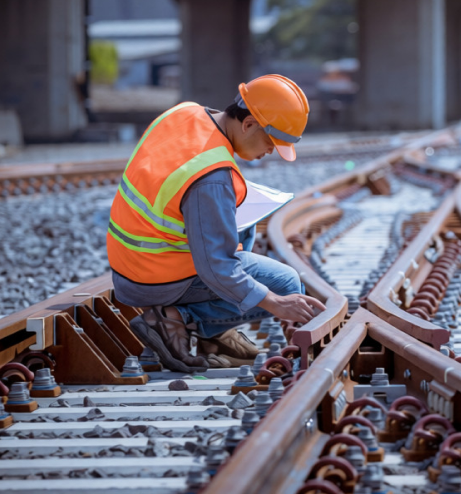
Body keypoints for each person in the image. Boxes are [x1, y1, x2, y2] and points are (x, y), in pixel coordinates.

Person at [107, 75, 326, 373]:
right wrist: (275, 302)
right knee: (287, 283)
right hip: (155, 277)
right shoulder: (211, 178)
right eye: (271, 141)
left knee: (243, 222)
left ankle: (214, 335)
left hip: (130, 262)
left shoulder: (184, 112)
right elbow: (216, 268)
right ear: (248, 124)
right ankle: (175, 319)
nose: (271, 151)